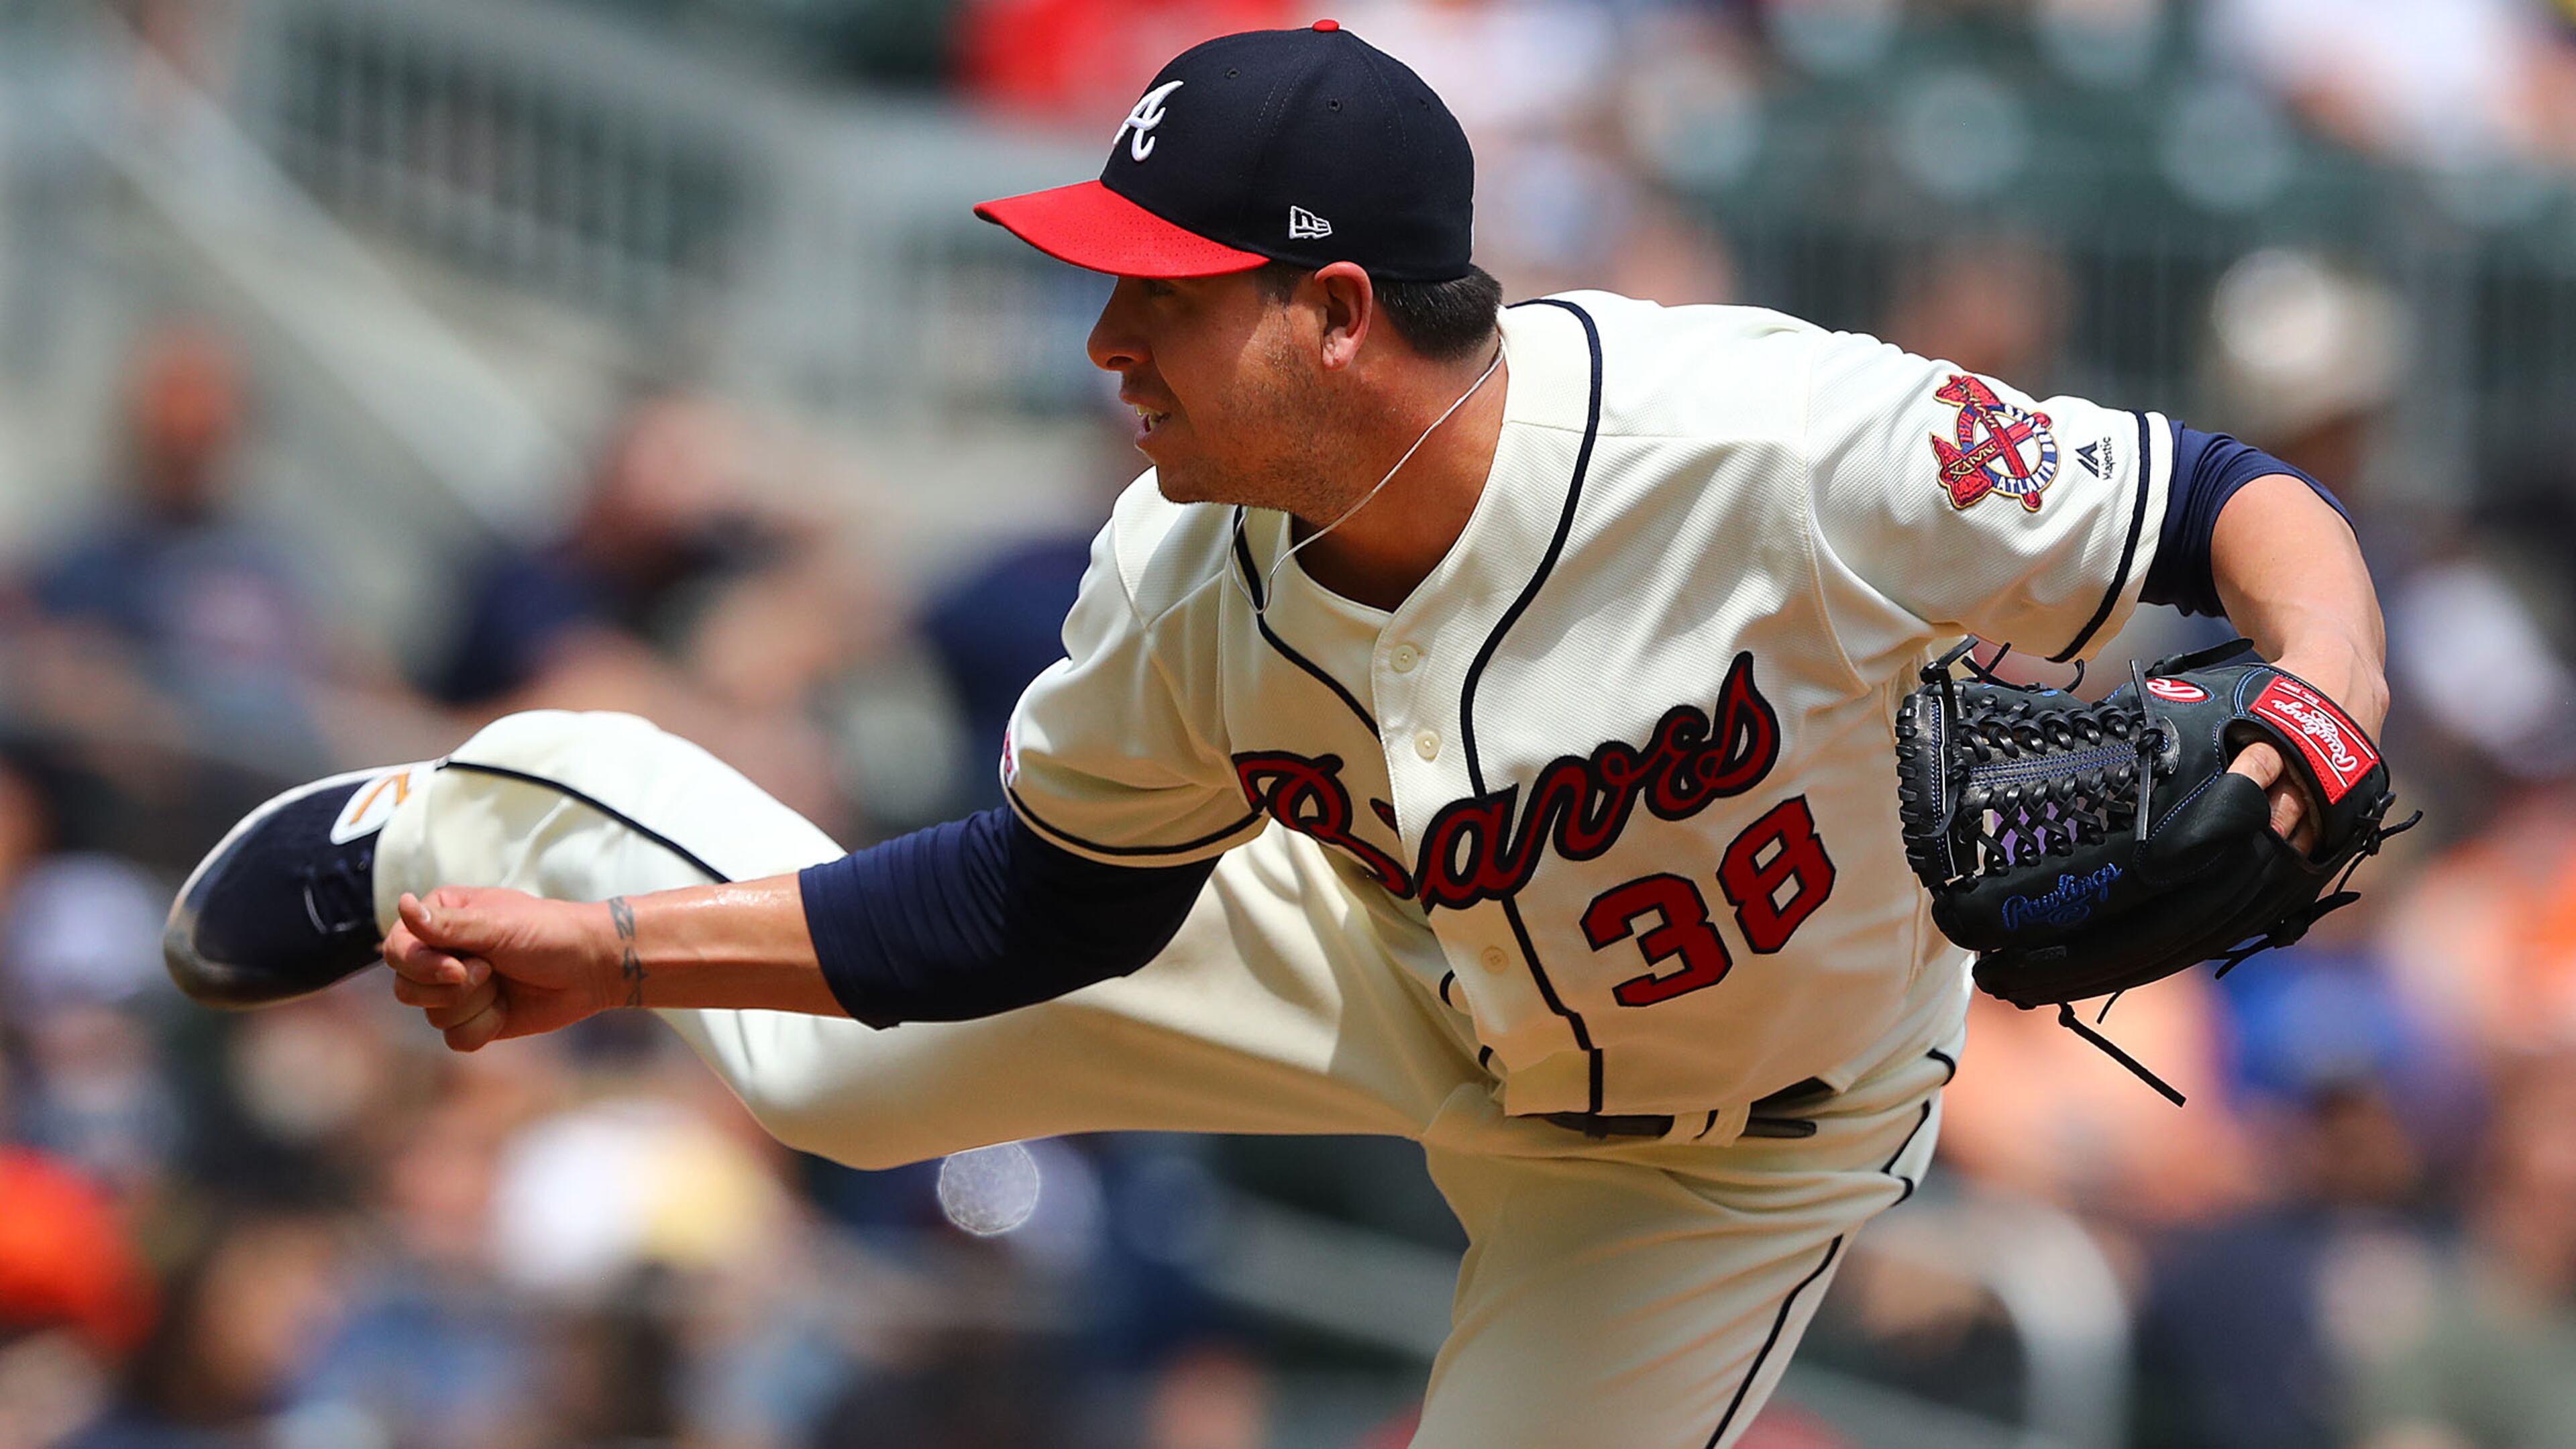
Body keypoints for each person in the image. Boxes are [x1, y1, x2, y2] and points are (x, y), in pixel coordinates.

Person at [161, 23, 2387, 1446]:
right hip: (1381, 957)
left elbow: (2228, 503)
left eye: (1163, 286)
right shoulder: (1179, 573)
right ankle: (460, 823)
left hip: (1731, 1154)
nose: (1108, 334)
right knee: (840, 1092)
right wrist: (616, 960)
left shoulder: (1774, 444)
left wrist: (2314, 707)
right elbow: (1029, 902)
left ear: (1336, 315)